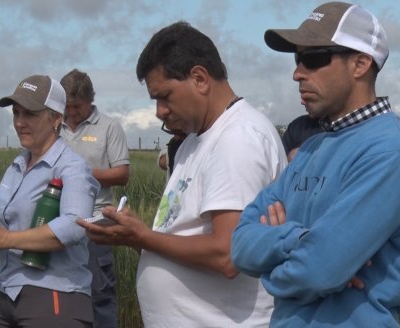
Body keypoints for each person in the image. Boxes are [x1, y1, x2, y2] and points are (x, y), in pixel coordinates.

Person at [231, 2, 400, 327]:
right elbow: (240, 245)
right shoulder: (311, 148)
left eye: (313, 58)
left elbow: (318, 272)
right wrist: (297, 239)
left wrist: (272, 264)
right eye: (297, 60)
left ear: (360, 64)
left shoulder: (392, 152)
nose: (297, 73)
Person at [77, 21, 288, 327]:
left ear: (200, 78)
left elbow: (228, 255)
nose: (159, 112)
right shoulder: (194, 141)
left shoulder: (239, 138)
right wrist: (135, 235)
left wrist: (144, 236)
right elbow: (183, 239)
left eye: (164, 96)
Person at [0, 74, 99, 327]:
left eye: (31, 114)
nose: (20, 122)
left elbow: (74, 226)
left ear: (56, 119)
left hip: (54, 297)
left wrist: (5, 239)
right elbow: (13, 235)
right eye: (16, 113)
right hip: (8, 294)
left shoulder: (72, 168)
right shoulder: (16, 166)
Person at [60, 68, 130, 328]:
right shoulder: (55, 126)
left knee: (99, 292)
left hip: (98, 220)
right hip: (60, 219)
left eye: (76, 106)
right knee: (64, 290)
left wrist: (82, 175)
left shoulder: (109, 127)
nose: (71, 112)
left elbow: (122, 174)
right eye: (67, 106)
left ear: (91, 100)